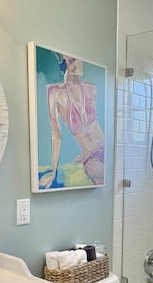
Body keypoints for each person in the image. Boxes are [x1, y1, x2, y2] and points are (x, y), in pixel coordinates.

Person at [40, 55, 105, 188]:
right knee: (100, 176)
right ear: (65, 63)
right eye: (73, 60)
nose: (79, 64)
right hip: (91, 157)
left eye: (80, 60)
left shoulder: (91, 88)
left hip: (105, 147)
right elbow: (56, 135)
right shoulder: (55, 93)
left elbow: (94, 125)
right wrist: (54, 172)